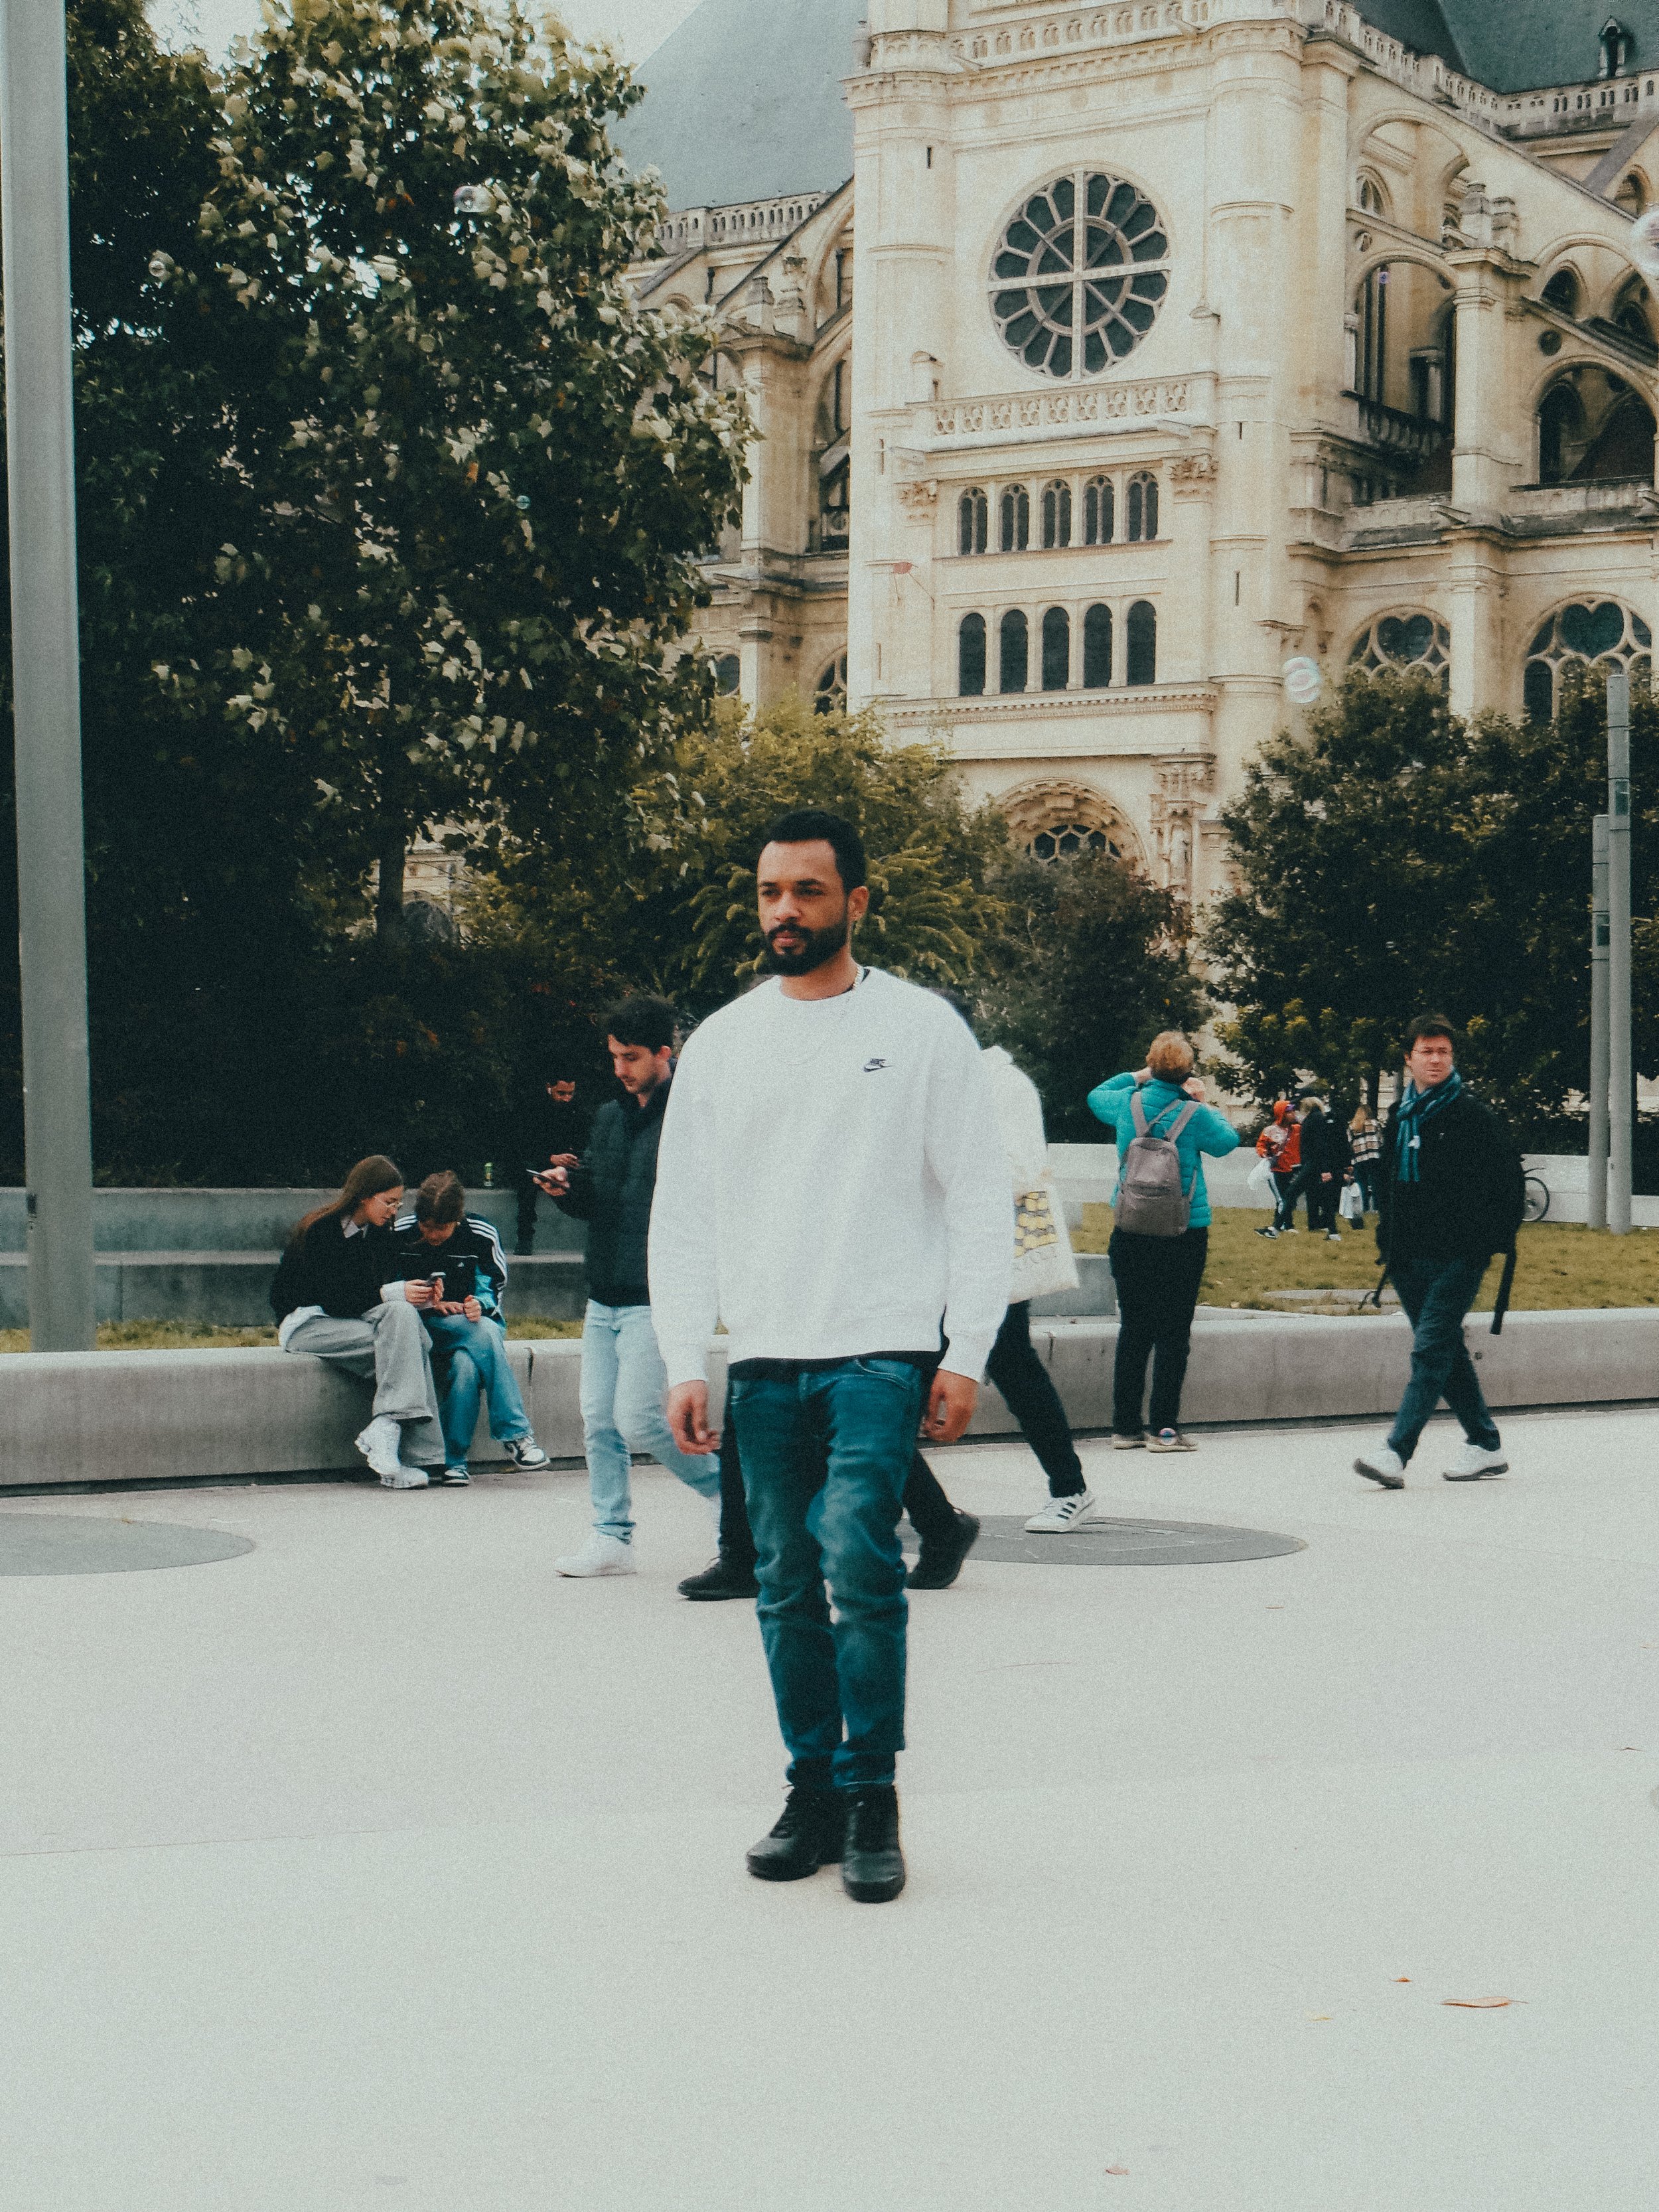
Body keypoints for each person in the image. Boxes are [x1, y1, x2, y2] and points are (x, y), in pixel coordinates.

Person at [651, 807, 1010, 1904]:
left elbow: (981, 1193)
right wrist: (683, 1356)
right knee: (782, 1582)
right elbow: (684, 1212)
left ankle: (872, 1795)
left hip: (881, 1347)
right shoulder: (723, 1041)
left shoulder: (922, 1028)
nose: (785, 911)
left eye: (808, 891)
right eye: (770, 892)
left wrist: (968, 1349)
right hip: (765, 1357)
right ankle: (811, 1786)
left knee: (858, 1550)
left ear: (857, 901)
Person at [536, 995, 722, 1576]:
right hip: (604, 1292)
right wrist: (570, 1188)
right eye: (614, 1055)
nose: (620, 1067)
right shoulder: (611, 1115)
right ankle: (611, 1535)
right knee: (598, 1418)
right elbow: (601, 1199)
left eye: (632, 1056)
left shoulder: (691, 1115)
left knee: (640, 1418)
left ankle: (736, 1500)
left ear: (665, 1053)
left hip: (655, 1294)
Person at [1354, 1014, 1524, 1489]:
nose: (1435, 1059)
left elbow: (1507, 1188)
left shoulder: (1472, 1114)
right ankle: (1485, 1444)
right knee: (1445, 1349)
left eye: (1443, 1052)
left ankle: (1395, 1451)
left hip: (1459, 1255)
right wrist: (1388, 1243)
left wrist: (1483, 1246)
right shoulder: (1400, 1116)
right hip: (1408, 1256)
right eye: (1426, 1051)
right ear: (1409, 1059)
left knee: (1430, 1348)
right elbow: (1389, 1185)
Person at [1088, 1035, 1240, 1452]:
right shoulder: (1194, 1114)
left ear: (1150, 1066)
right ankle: (1164, 1431)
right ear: (1188, 1072)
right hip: (1183, 1232)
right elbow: (1229, 1141)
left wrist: (1139, 1076)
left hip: (1132, 1229)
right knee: (1174, 1332)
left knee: (1134, 1329)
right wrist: (1203, 1099)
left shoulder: (1127, 1104)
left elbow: (1095, 1095)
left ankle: (1124, 1428)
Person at [271, 1155, 446, 1489]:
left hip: (351, 1319)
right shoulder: (321, 1230)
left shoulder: (379, 1234)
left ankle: (387, 1430)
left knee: (405, 1318)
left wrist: (421, 1297)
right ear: (366, 1195)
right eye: (389, 1201)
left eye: (399, 1203)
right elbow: (336, 1297)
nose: (395, 1210)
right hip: (308, 1323)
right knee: (413, 1344)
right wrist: (394, 1293)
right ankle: (424, 1455)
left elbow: (370, 1296)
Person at [390, 1171, 551, 1483]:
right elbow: (385, 1286)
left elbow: (494, 1288)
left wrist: (480, 1304)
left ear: (458, 1219)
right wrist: (428, 1303)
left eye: (441, 1229)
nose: (433, 1235)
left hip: (469, 1324)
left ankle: (454, 1462)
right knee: (485, 1334)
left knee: (467, 1363)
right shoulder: (400, 1232)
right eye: (427, 1227)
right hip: (418, 1327)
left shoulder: (481, 1233)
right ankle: (517, 1436)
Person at [514, 1069, 591, 1255]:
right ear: (549, 1088)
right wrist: (551, 1158)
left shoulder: (575, 1110)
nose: (566, 1098)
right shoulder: (534, 1110)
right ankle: (525, 1238)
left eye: (570, 1093)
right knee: (527, 1185)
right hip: (537, 1163)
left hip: (565, 1165)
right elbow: (523, 1146)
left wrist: (574, 1158)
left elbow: (584, 1140)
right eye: (561, 1093)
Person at [1296, 1085, 1350, 1242]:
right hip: (1323, 1160)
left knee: (1322, 1194)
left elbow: (1331, 1142)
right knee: (1319, 1194)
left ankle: (1324, 1224)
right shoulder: (1321, 1117)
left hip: (1325, 1161)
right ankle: (1323, 1224)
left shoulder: (1322, 1118)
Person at [1254, 1100, 1295, 1239]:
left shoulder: (1296, 1129)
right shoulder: (1270, 1131)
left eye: (1292, 1111)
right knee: (1282, 1198)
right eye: (1288, 1112)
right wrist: (1265, 1153)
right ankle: (1286, 1225)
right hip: (1276, 1169)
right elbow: (1260, 1146)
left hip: (1293, 1168)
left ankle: (1282, 1224)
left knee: (1287, 1198)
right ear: (1282, 1114)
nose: (1292, 1114)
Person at [1348, 1102, 1383, 1218]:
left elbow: (1349, 1142)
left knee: (1361, 1184)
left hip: (1359, 1158)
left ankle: (1364, 1207)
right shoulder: (1374, 1123)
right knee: (1376, 1183)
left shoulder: (1353, 1126)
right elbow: (1381, 1139)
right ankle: (1378, 1207)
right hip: (1374, 1156)